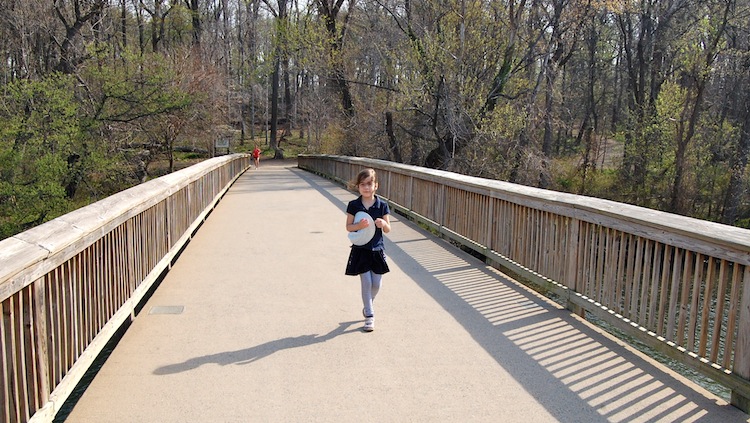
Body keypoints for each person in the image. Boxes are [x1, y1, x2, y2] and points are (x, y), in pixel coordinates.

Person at [345, 168, 391, 332]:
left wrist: (383, 224)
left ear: (376, 186)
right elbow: (348, 227)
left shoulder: (382, 206)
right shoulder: (354, 205)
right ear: (358, 186)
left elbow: (388, 229)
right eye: (362, 184)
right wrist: (359, 226)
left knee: (376, 284)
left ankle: (367, 305)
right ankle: (370, 316)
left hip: (377, 249)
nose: (366, 187)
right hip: (361, 249)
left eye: (369, 184)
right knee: (366, 282)